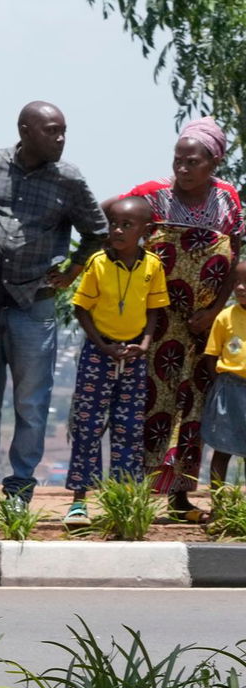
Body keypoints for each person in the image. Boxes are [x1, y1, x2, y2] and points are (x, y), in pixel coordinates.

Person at [0, 102, 107, 510]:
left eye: (63, 131)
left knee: (31, 403)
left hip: (35, 304)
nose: (60, 139)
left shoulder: (69, 180)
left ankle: (20, 488)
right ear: (25, 130)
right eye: (51, 131)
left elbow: (97, 231)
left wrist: (73, 270)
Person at [119, 118, 244, 521]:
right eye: (178, 160)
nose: (182, 169)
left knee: (192, 408)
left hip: (201, 327)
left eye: (192, 162)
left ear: (213, 163)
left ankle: (178, 498)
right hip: (156, 326)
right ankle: (133, 493)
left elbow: (234, 259)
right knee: (150, 404)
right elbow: (111, 216)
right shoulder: (152, 196)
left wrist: (214, 311)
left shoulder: (227, 199)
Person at [63, 197, 168, 527]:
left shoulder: (152, 265)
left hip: (135, 355)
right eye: (113, 224)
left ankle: (122, 500)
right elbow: (81, 309)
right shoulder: (97, 263)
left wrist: (146, 343)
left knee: (129, 428)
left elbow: (154, 310)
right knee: (89, 425)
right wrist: (105, 348)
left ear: (145, 231)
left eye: (127, 225)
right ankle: (80, 501)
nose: (118, 230)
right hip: (99, 353)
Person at [200, 259, 246, 491]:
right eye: (237, 281)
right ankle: (217, 507)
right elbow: (211, 354)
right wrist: (219, 383)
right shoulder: (225, 317)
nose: (240, 287)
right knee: (222, 449)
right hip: (229, 389)